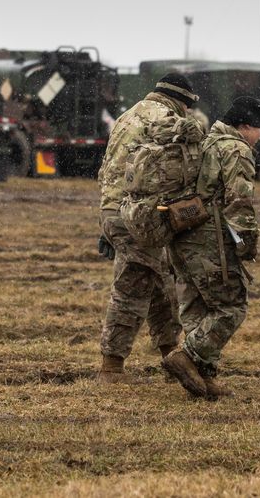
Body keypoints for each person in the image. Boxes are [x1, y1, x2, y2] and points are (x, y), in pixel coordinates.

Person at [94, 74, 198, 383]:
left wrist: (109, 221)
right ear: (182, 102)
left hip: (114, 211)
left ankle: (172, 355)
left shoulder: (128, 115)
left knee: (159, 282)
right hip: (141, 215)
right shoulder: (166, 120)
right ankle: (111, 367)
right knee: (134, 286)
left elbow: (110, 168)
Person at [162, 97, 260, 400]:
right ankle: (186, 356)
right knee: (231, 307)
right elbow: (239, 201)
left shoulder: (204, 142)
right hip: (210, 239)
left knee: (196, 306)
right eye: (259, 129)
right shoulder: (236, 149)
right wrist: (247, 242)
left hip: (181, 230)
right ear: (245, 126)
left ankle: (202, 378)